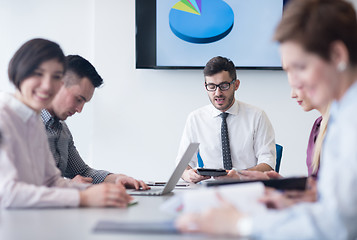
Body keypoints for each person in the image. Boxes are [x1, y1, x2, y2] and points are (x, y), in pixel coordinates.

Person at [176, 0, 357, 238]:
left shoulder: (349, 123)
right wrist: (295, 194)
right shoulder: (342, 116)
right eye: (288, 71)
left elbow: (335, 227)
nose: (293, 84)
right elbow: (340, 208)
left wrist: (241, 224)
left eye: (299, 67)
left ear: (337, 55)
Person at [0, 38, 132, 208]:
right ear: (19, 71)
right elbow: (6, 193)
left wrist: (103, 191)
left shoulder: (33, 121)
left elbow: (52, 181)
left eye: (55, 77)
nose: (47, 86)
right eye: (38, 74)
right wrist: (82, 198)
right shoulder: (4, 116)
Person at [41, 55, 148, 190]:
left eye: (84, 102)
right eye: (78, 99)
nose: (79, 110)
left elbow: (83, 172)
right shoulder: (23, 125)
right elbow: (22, 187)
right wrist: (67, 187)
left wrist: (116, 178)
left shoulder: (62, 130)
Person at [177, 56, 276, 183]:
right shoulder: (195, 118)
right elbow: (182, 164)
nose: (218, 93)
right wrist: (187, 175)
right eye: (211, 86)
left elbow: (268, 164)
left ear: (236, 85)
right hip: (210, 192)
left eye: (224, 85)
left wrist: (239, 176)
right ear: (205, 86)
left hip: (247, 188)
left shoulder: (257, 116)